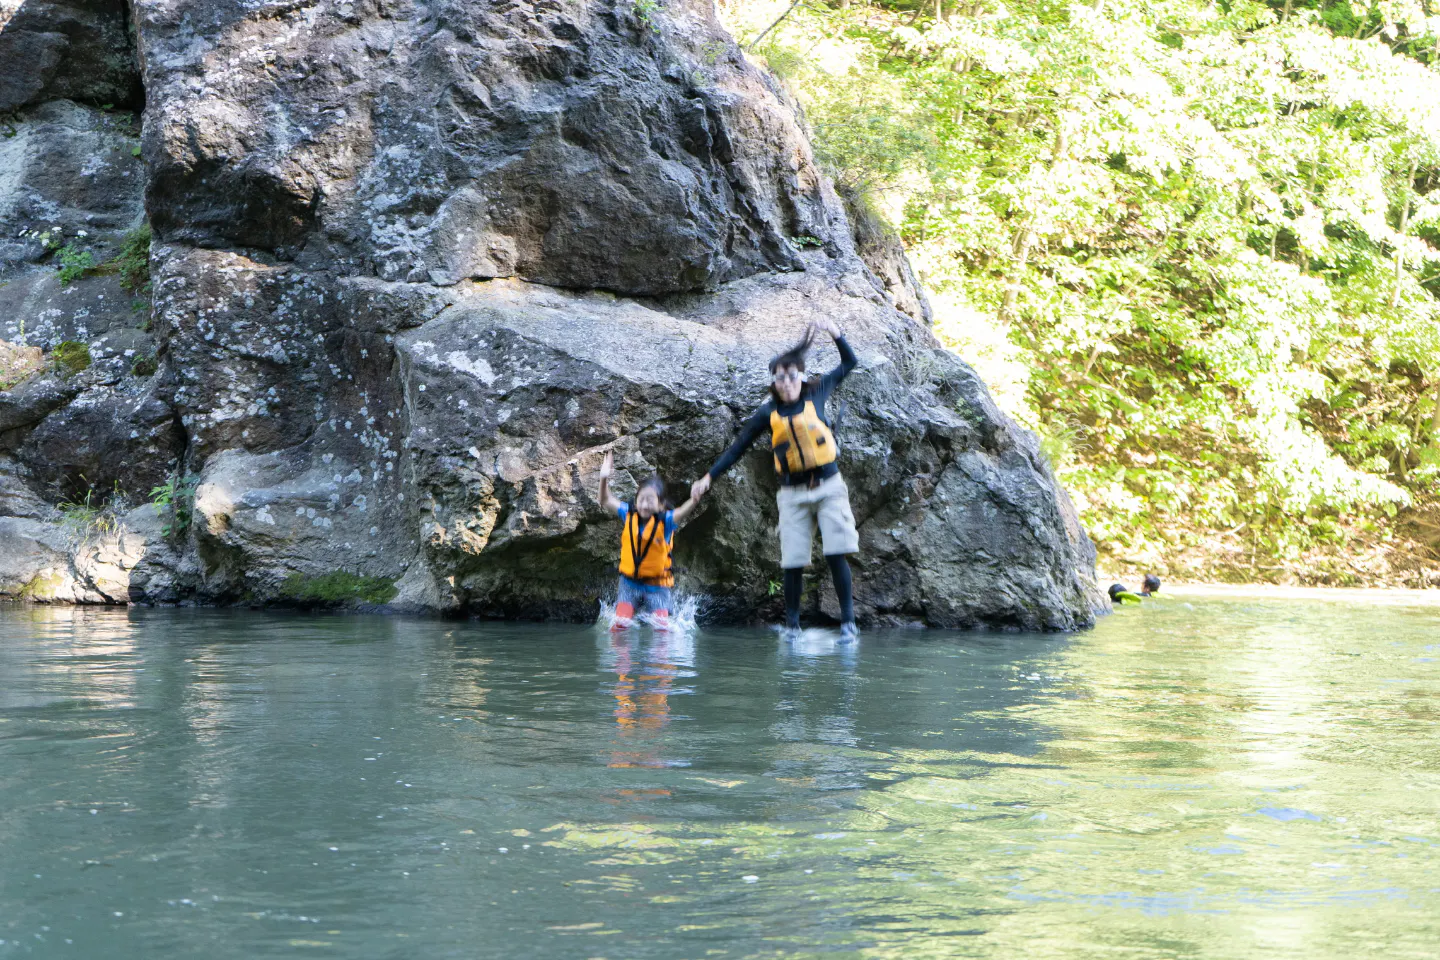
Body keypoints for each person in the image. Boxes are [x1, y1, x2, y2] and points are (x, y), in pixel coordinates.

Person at [690, 317, 860, 641]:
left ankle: (848, 624)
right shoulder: (767, 414)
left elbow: (850, 362)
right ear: (773, 382)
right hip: (792, 493)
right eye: (779, 377)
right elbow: (738, 447)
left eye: (791, 375)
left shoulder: (817, 392)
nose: (786, 382)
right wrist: (708, 477)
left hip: (828, 486)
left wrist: (835, 333)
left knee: (836, 551)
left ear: (801, 377)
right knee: (793, 561)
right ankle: (792, 627)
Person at [597, 450, 699, 628]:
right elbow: (605, 500)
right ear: (635, 501)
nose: (644, 505)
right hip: (629, 584)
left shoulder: (666, 522)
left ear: (661, 505)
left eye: (650, 501)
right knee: (619, 626)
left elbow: (682, 512)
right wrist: (603, 477)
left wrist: (694, 499)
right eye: (641, 500)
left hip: (657, 586)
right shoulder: (628, 514)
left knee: (662, 630)